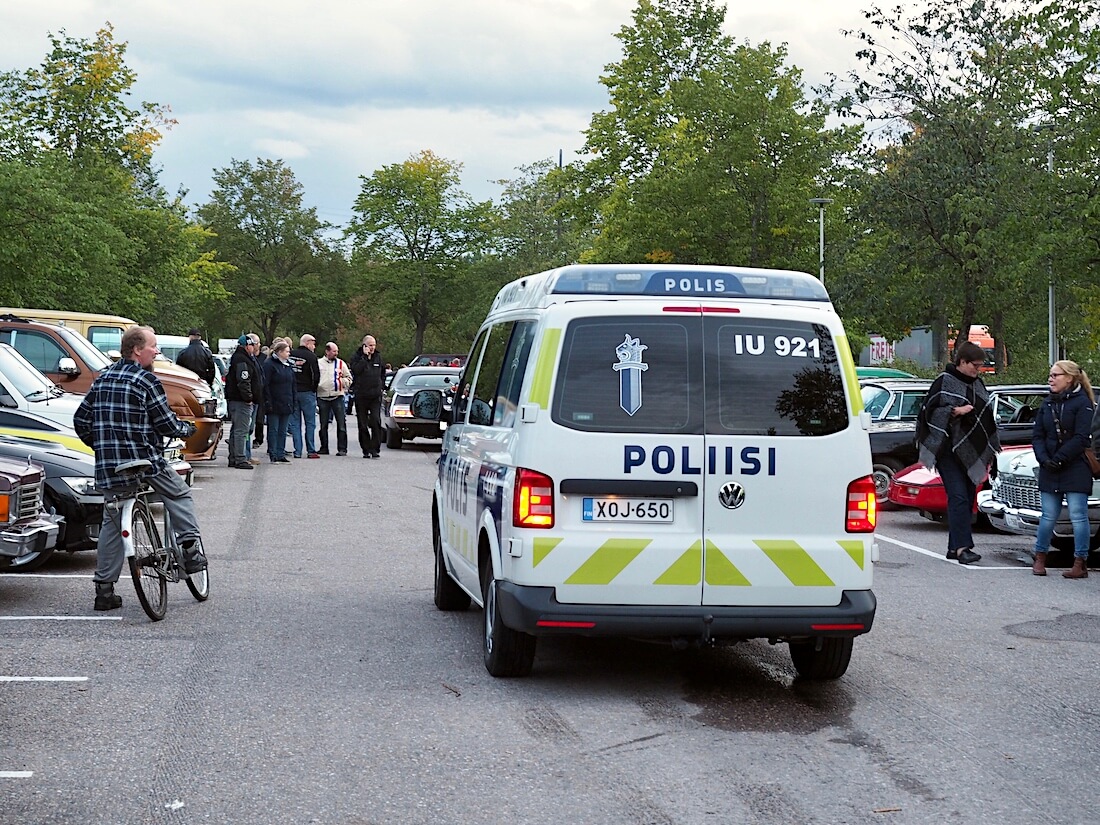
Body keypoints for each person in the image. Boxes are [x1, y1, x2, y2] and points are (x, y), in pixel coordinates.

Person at [73, 326, 207, 611]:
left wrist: (101, 446)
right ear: (137, 349)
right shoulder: (147, 381)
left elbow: (81, 421)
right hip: (146, 462)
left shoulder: (102, 379)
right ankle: (190, 549)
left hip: (111, 466)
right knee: (179, 494)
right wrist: (187, 429)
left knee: (112, 520)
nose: (156, 351)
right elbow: (166, 424)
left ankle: (104, 591)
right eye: (153, 346)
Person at [916, 340, 1001, 565]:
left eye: (981, 365)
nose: (978, 369)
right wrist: (955, 411)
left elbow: (986, 416)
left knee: (966, 498)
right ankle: (964, 548)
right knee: (958, 497)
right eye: (975, 365)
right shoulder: (944, 382)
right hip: (946, 450)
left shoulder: (978, 384)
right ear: (962, 362)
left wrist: (988, 453)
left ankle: (954, 548)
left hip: (970, 452)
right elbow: (927, 413)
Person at [1031, 360, 1096, 578]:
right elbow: (1038, 435)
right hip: (1049, 466)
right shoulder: (1047, 404)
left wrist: (1059, 458)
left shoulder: (1083, 403)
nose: (1050, 379)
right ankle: (1040, 557)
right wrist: (1044, 459)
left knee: (1078, 514)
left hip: (1075, 466)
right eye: (1050, 375)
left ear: (1069, 378)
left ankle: (1080, 562)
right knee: (1048, 515)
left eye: (1055, 375)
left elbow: (1081, 438)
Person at [224, 334, 260, 470]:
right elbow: (243, 380)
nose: (254, 348)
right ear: (246, 346)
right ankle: (240, 458)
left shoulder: (240, 358)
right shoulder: (242, 360)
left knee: (236, 429)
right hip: (241, 401)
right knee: (241, 430)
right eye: (252, 345)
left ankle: (233, 457)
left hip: (235, 399)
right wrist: (248, 398)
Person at [351, 334, 386, 458]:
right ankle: (365, 448)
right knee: (362, 423)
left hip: (375, 395)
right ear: (364, 345)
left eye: (374, 345)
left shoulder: (378, 357)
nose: (372, 348)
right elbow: (356, 370)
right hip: (361, 395)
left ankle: (375, 448)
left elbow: (382, 374)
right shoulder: (357, 357)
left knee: (376, 421)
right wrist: (365, 358)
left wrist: (381, 387)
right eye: (370, 345)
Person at [261, 340, 296, 463]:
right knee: (274, 429)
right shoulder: (269, 365)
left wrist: (293, 400)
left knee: (283, 430)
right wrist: (268, 401)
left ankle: (281, 452)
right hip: (274, 401)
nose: (288, 354)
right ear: (279, 352)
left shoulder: (288, 365)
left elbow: (292, 384)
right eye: (286, 351)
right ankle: (273, 452)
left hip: (286, 401)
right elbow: (266, 385)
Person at [317, 341, 352, 456]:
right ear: (327, 351)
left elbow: (349, 378)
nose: (336, 353)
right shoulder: (319, 363)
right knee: (323, 424)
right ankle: (324, 447)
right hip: (323, 397)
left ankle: (342, 448)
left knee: (341, 423)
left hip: (337, 396)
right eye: (334, 351)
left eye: (337, 351)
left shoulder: (341, 364)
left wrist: (343, 382)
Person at [289, 334, 321, 459]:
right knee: (310, 423)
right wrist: (313, 389)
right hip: (307, 392)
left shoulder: (291, 354)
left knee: (295, 423)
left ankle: (297, 450)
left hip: (293, 392)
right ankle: (311, 450)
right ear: (307, 343)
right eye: (313, 344)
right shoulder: (311, 357)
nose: (314, 347)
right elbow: (316, 375)